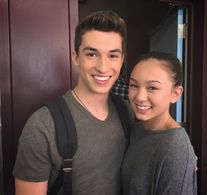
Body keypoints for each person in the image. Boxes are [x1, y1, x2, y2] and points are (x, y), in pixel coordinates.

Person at [13, 10, 129, 195]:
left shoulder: (127, 112)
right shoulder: (42, 126)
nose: (103, 67)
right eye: (92, 54)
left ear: (122, 60)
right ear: (76, 57)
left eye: (113, 56)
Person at [122, 51, 197, 195]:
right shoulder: (136, 129)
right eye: (134, 85)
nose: (140, 97)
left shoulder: (175, 148)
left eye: (152, 88)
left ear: (175, 94)